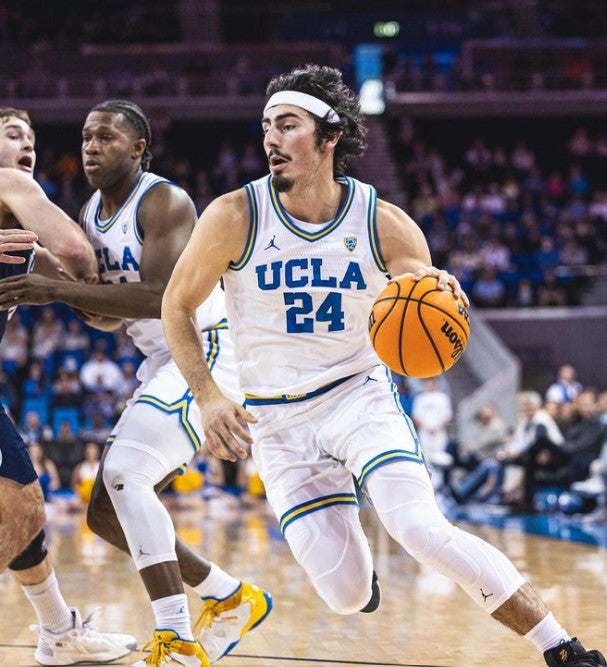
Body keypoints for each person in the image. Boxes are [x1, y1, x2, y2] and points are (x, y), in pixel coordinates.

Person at [161, 65, 605, 667]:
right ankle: (360, 579)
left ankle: (561, 646)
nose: (269, 138)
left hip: (358, 398)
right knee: (344, 598)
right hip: (277, 423)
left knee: (419, 528)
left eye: (286, 125)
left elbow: (421, 297)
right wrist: (210, 395)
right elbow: (176, 305)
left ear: (328, 136)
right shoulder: (234, 215)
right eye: (266, 125)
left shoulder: (383, 222)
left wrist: (439, 291)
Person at [0, 100, 271, 667]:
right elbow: (105, 316)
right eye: (85, 137)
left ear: (139, 147)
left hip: (208, 351)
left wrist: (60, 287)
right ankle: (230, 595)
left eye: (106, 137)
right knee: (103, 512)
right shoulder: (92, 209)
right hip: (159, 361)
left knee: (124, 476)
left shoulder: (165, 200)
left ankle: (174, 636)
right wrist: (60, 284)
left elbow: (159, 298)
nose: (91, 147)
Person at [0, 107, 137, 665]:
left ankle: (58, 632)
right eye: (11, 135)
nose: (26, 146)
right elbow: (81, 256)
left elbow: (95, 313)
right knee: (25, 504)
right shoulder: (10, 180)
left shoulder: (20, 237)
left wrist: (96, 298)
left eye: (31, 138)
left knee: (17, 507)